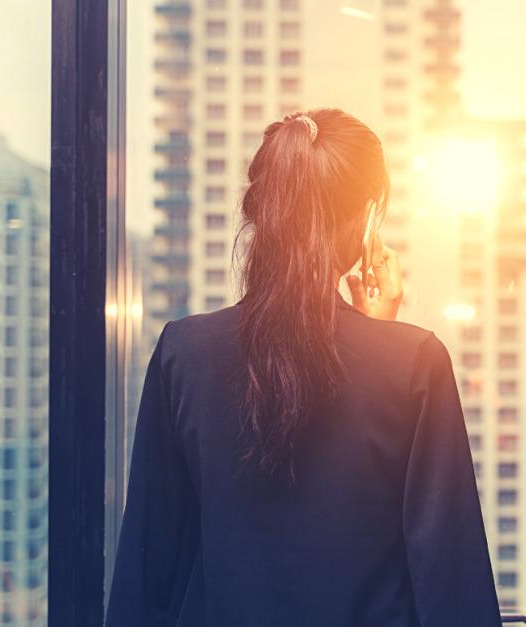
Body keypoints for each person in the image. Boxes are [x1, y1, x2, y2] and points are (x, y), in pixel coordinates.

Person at [106, 109, 500, 626]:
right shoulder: (414, 364)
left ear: (261, 214)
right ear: (367, 220)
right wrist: (382, 338)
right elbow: (451, 585)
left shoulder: (183, 352)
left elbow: (148, 574)